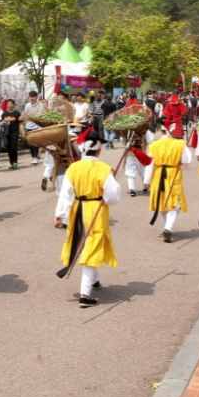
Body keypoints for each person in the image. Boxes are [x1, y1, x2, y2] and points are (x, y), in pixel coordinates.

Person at [54, 131, 121, 307]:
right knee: (92, 246)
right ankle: (85, 294)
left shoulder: (73, 167)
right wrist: (106, 196)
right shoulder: (104, 169)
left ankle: (95, 280)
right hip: (95, 210)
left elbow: (65, 194)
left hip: (77, 209)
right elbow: (112, 197)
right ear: (99, 151)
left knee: (82, 243)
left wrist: (59, 215)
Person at [144, 122, 192, 242]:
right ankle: (168, 228)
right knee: (175, 203)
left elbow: (149, 164)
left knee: (161, 203)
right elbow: (187, 161)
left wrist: (146, 180)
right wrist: (180, 162)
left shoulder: (154, 145)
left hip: (158, 174)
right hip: (173, 173)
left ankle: (166, 227)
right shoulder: (179, 144)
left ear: (161, 130)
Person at [124, 129, 156, 196]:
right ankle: (145, 186)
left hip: (130, 152)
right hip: (141, 153)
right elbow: (151, 141)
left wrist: (127, 144)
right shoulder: (144, 130)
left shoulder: (126, 130)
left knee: (130, 171)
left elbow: (122, 139)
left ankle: (132, 189)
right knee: (143, 170)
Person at [23, 91, 43, 165]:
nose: (32, 98)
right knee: (30, 142)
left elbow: (40, 115)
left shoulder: (40, 105)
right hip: (28, 125)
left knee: (36, 142)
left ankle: (35, 157)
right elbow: (26, 114)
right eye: (31, 97)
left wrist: (32, 116)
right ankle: (33, 156)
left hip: (36, 125)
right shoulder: (27, 105)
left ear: (36, 97)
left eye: (33, 97)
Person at [0, 100, 21, 169]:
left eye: (11, 104)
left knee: (13, 147)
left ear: (14, 105)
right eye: (8, 104)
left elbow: (20, 123)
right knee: (9, 148)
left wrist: (23, 132)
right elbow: (1, 123)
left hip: (14, 132)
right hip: (6, 133)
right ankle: (11, 163)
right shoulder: (4, 114)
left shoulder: (17, 113)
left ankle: (15, 162)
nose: (9, 105)